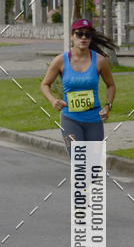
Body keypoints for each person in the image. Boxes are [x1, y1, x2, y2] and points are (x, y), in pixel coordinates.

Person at [41, 18, 116, 155]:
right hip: (70, 119)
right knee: (79, 163)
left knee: (94, 164)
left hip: (94, 118)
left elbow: (110, 85)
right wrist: (52, 100)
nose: (83, 37)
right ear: (72, 36)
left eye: (87, 35)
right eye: (79, 34)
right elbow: (45, 84)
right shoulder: (60, 61)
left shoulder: (100, 61)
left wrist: (108, 106)